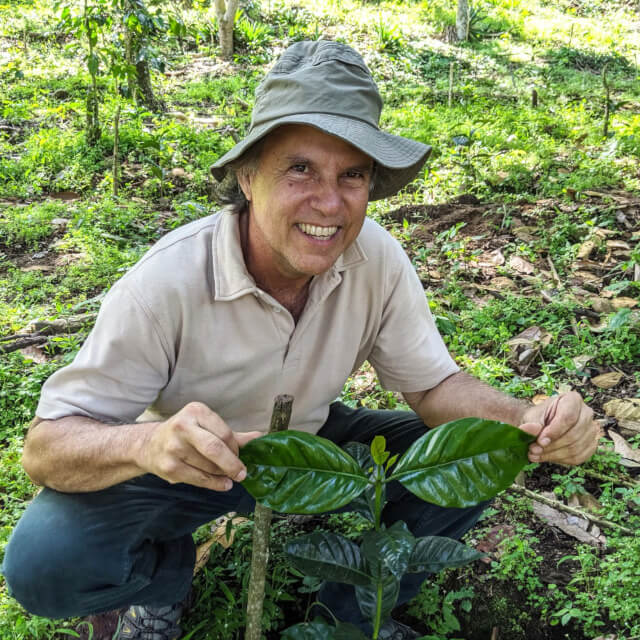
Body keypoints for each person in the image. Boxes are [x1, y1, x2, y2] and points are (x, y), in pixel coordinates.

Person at [2, 40, 599, 640]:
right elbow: (47, 448)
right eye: (299, 168)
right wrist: (151, 444)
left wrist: (529, 420)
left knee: (481, 449)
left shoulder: (377, 261)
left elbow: (435, 385)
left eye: (353, 175)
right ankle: (162, 585)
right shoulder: (166, 284)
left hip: (314, 445)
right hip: (192, 467)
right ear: (247, 176)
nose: (330, 203)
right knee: (45, 562)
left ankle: (353, 614)